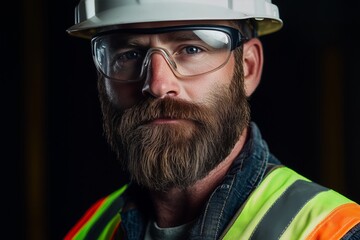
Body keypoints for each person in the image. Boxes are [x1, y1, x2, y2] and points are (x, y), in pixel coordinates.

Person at [64, 0, 360, 239]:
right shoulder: (92, 228)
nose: (156, 84)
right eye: (128, 54)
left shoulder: (333, 231)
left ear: (247, 67)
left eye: (191, 49)